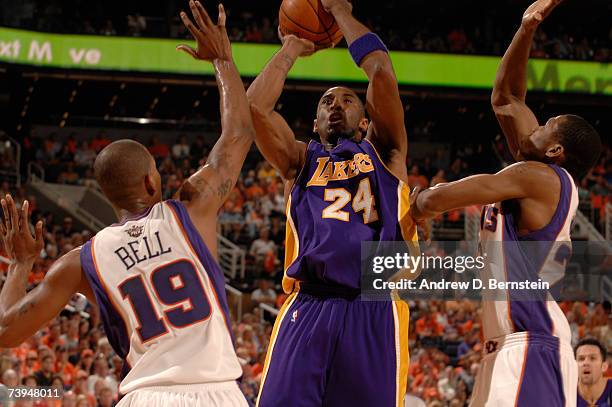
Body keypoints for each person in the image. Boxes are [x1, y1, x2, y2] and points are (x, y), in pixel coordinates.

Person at [0, 2, 254, 406]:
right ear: (152, 181)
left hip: (145, 396)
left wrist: (19, 265)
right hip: (218, 393)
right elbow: (239, 132)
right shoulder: (190, 209)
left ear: (107, 195)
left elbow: (6, 332)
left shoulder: (81, 261)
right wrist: (222, 58)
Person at [409, 1, 602, 406]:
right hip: (513, 345)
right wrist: (526, 28)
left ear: (556, 149)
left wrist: (413, 203)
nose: (537, 123)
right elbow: (506, 97)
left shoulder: (539, 177)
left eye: (547, 125)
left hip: (529, 342)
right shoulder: (541, 174)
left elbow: (447, 197)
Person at [247, 0, 418, 405]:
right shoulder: (300, 160)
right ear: (314, 123)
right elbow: (253, 109)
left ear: (365, 120)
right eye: (326, 101)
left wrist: (340, 11)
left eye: (346, 99)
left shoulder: (386, 153)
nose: (335, 104)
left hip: (372, 308)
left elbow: (380, 70)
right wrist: (290, 48)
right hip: (308, 304)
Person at [575, 338, 611, 407]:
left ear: (604, 366)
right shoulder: (564, 393)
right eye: (581, 359)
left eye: (592, 358)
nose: (586, 363)